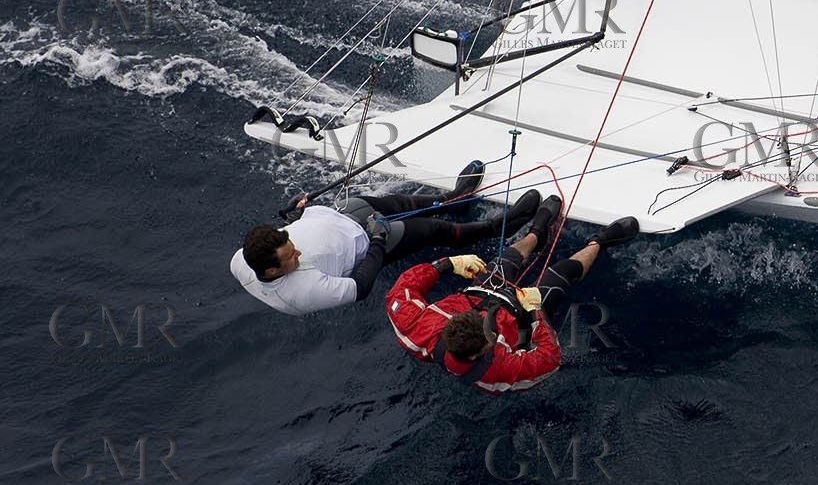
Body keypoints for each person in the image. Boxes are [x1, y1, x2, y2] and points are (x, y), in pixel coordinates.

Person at [385, 194, 639, 393]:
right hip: (521, 316)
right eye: (491, 335)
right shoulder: (500, 369)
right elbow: (549, 360)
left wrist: (447, 264)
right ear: (479, 353)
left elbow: (401, 289)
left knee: (507, 259)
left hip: (479, 294)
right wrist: (535, 313)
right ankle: (599, 242)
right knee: (559, 274)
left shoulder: (420, 327)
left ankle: (536, 234)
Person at [230, 160, 545, 316]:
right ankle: (501, 225)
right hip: (368, 240)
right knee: (435, 231)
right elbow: (361, 288)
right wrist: (378, 241)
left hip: (339, 213)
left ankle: (455, 200)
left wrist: (293, 215)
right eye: (290, 258)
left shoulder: (241, 261)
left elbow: (280, 238)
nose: (296, 252)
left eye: (290, 243)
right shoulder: (300, 295)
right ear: (272, 272)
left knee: (400, 203)